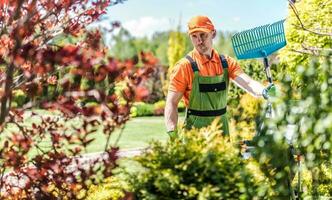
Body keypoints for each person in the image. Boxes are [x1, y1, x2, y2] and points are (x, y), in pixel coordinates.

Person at [164, 15, 275, 139]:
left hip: (222, 132)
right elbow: (171, 103)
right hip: (195, 134)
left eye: (203, 35)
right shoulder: (184, 66)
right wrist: (172, 133)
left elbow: (247, 83)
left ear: (213, 34)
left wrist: (264, 91)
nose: (199, 41)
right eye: (194, 36)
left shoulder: (226, 63)